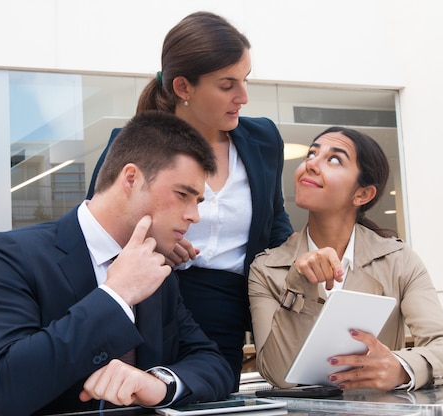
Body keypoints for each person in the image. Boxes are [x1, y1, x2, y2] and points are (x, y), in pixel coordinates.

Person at [0, 111, 234, 415]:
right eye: (182, 195)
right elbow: (2, 390)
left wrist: (158, 383)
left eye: (198, 201)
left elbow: (214, 364)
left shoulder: (157, 270)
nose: (194, 216)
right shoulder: (11, 255)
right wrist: (116, 295)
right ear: (131, 178)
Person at [86, 11, 294, 390]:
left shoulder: (263, 140)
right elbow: (97, 231)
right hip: (149, 300)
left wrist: (298, 259)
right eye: (227, 85)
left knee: (210, 395)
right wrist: (155, 246)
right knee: (139, 396)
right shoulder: (131, 143)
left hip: (226, 310)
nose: (243, 97)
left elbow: (274, 219)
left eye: (245, 81)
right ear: (183, 87)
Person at [248, 126, 443, 391]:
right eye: (311, 154)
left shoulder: (398, 261)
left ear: (362, 194)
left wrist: (400, 368)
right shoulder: (266, 269)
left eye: (334, 159)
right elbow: (278, 375)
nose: (312, 164)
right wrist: (298, 284)